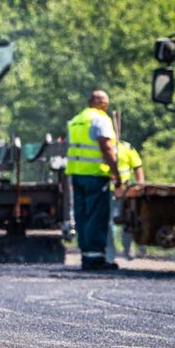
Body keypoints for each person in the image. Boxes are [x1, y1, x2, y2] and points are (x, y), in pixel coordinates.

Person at [65, 90, 123, 271]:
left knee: (82, 216)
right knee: (96, 216)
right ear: (103, 104)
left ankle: (86, 255)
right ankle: (95, 258)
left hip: (77, 174)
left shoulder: (76, 120)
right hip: (95, 175)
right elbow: (106, 148)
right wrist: (116, 173)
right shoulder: (100, 119)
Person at [109, 139, 146, 261]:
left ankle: (128, 249)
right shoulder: (103, 148)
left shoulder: (126, 148)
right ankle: (110, 253)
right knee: (109, 224)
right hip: (109, 192)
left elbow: (137, 167)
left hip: (126, 192)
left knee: (128, 221)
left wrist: (140, 187)